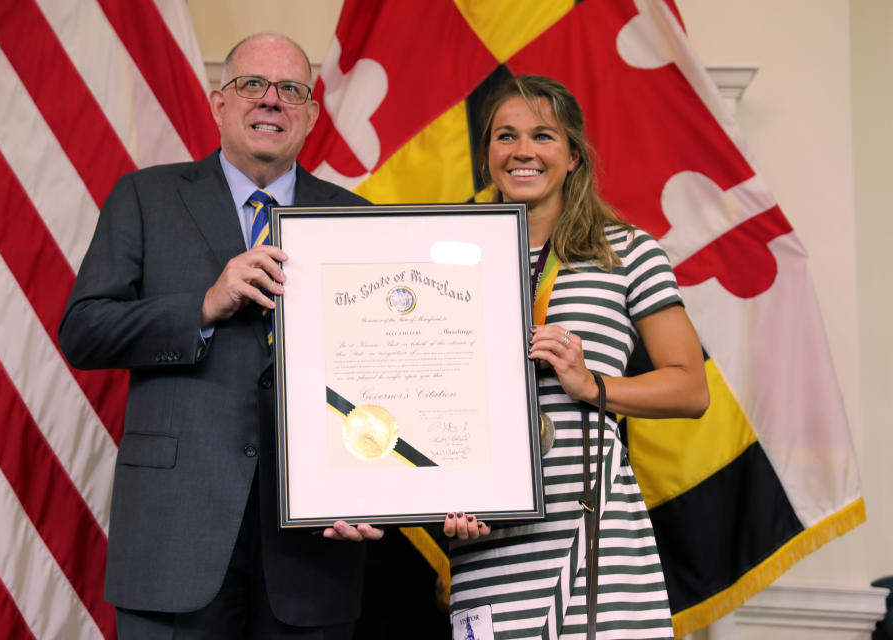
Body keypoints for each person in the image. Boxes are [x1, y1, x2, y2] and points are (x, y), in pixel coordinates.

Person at [58, 33, 381, 639]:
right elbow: (83, 330)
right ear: (218, 103)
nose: (271, 101)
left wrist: (375, 484)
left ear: (310, 114)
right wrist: (204, 305)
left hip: (313, 544)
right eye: (252, 85)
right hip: (175, 536)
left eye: (290, 89)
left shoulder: (352, 216)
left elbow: (379, 373)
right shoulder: (145, 197)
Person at [442, 75, 710, 639]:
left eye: (543, 136)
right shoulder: (445, 259)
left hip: (593, 526)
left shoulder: (629, 251)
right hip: (488, 533)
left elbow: (691, 389)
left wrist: (593, 386)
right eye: (504, 136)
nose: (522, 151)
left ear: (572, 157)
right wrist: (441, 493)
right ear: (486, 154)